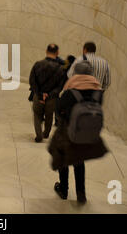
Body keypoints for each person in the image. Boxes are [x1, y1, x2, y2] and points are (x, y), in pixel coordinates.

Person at [48, 61, 108, 204]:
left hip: (68, 130)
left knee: (63, 158)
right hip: (88, 133)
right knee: (79, 161)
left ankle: (63, 189)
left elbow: (59, 108)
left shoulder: (71, 90)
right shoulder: (98, 91)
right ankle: (81, 194)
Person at [29, 44, 65, 142]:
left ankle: (38, 135)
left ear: (46, 51)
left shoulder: (38, 64)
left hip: (38, 96)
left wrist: (40, 93)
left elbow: (32, 81)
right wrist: (49, 94)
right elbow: (60, 86)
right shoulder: (61, 69)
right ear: (57, 53)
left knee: (37, 115)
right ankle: (46, 133)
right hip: (52, 98)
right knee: (49, 115)